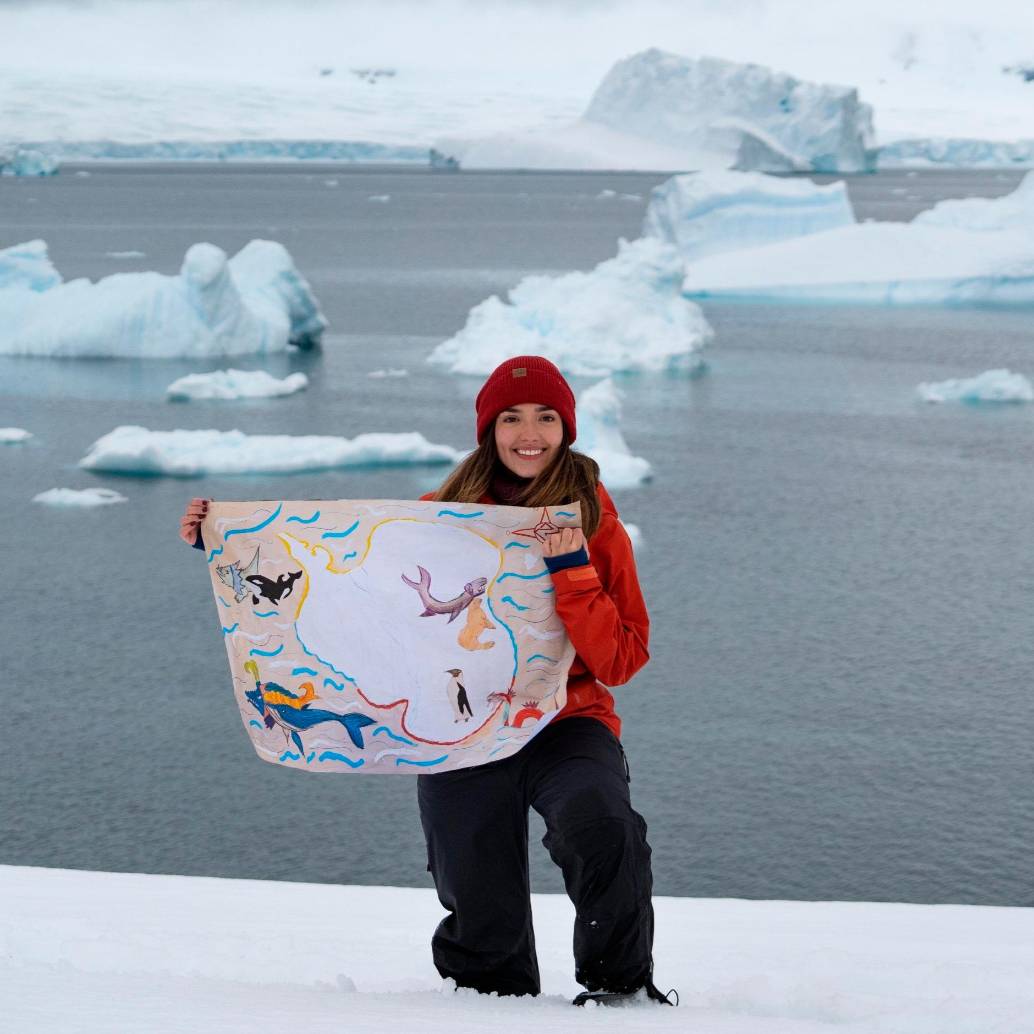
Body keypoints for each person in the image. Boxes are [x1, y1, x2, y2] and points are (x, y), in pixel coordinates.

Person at [177, 355, 673, 1006]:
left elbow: (623, 659)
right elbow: (343, 575)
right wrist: (226, 542)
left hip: (564, 721)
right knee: (477, 888)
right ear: (489, 430)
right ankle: (488, 1006)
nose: (530, 432)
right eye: (512, 417)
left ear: (567, 428)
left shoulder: (593, 519)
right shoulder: (440, 517)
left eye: (547, 417)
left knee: (603, 824)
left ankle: (620, 989)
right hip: (458, 725)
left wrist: (572, 570)